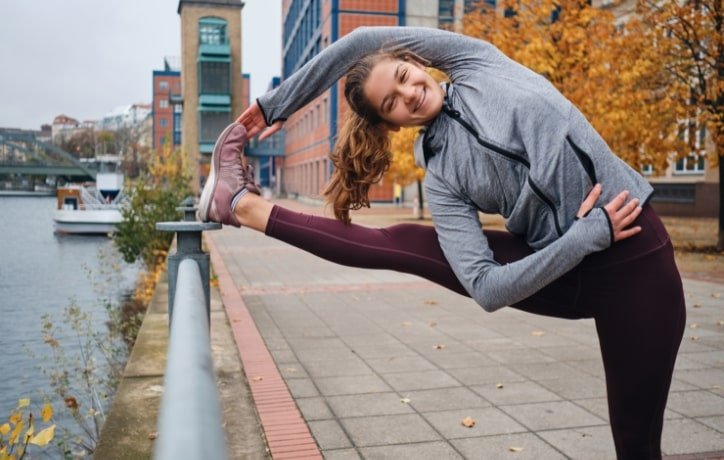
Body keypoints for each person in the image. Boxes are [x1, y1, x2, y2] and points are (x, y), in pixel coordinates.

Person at [199, 27, 685, 459]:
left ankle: (239, 202)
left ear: (415, 61)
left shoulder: (477, 61)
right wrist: (581, 239)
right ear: (390, 125)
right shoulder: (442, 177)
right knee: (407, 241)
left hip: (634, 262)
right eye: (391, 103)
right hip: (566, 264)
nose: (410, 93)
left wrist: (270, 108)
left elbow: (361, 41)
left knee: (636, 446)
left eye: (404, 76)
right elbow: (486, 288)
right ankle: (242, 206)